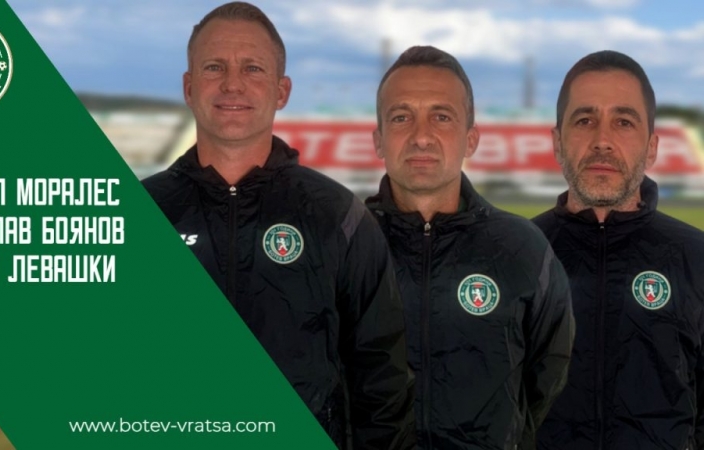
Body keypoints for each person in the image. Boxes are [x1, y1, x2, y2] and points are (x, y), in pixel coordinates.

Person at [141, 2, 415, 448]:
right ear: (189, 88)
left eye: (252, 68)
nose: (232, 83)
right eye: (214, 67)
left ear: (282, 90)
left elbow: (381, 381)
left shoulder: (339, 216)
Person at [365, 45, 575, 450]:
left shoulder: (522, 247)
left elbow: (546, 375)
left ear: (471, 139)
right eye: (401, 117)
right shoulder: (343, 244)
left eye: (441, 117)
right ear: (378, 140)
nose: (421, 136)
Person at [534, 50, 704, 449]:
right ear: (557, 143)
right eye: (585, 120)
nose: (602, 141)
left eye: (623, 122)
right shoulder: (516, 254)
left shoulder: (697, 258)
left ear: (652, 147)